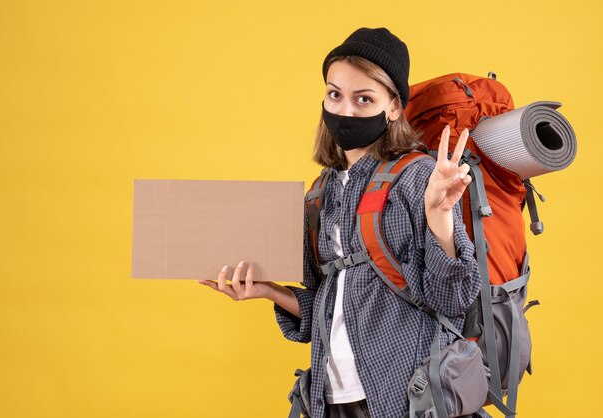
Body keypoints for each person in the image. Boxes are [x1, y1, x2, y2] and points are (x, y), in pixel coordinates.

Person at [199, 27, 485, 418]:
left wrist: (440, 217)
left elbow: (453, 298)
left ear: (394, 107)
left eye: (363, 99)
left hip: (406, 396)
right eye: (335, 94)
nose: (345, 111)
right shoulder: (319, 194)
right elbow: (328, 305)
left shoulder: (419, 176)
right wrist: (268, 291)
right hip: (330, 398)